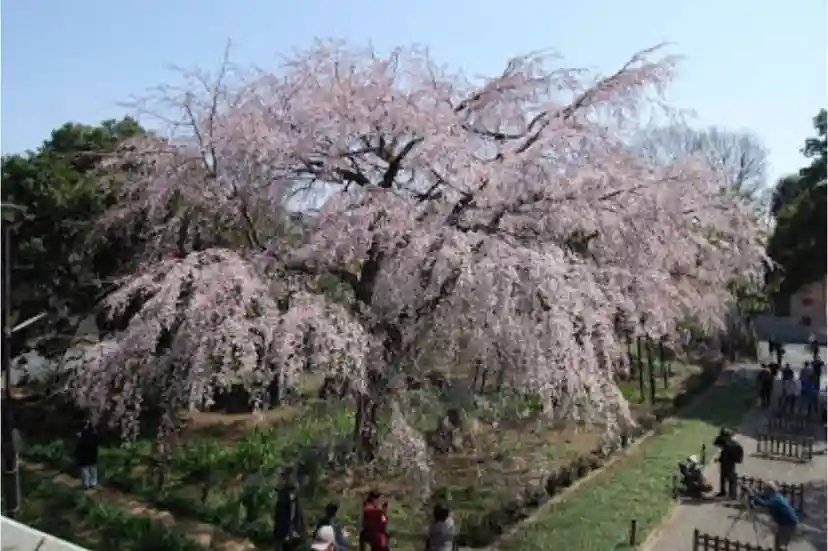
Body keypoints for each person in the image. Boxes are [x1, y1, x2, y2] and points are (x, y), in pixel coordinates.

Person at [747, 481, 799, 551]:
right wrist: (754, 492)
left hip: (788, 524)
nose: (764, 492)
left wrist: (752, 496)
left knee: (781, 545)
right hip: (785, 524)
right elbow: (763, 496)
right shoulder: (776, 496)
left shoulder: (775, 499)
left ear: (769, 490)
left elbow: (764, 504)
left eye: (765, 490)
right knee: (778, 544)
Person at [273, 468, 306, 551]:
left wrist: (302, 528)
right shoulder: (283, 494)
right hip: (285, 532)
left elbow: (298, 512)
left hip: (294, 531)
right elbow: (279, 514)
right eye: (290, 477)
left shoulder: (295, 493)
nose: (292, 479)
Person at [713, 428, 742, 499]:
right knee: (723, 477)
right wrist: (719, 459)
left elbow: (729, 454)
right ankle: (724, 492)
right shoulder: (725, 442)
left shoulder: (732, 444)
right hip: (725, 462)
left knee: (730, 477)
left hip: (729, 462)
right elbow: (717, 444)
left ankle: (731, 494)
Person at [75, 420, 99, 489]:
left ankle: (86, 484)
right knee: (92, 469)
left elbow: (81, 445)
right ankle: (93, 483)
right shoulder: (94, 434)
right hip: (92, 454)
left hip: (84, 455)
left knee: (85, 470)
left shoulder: (83, 435)